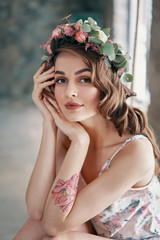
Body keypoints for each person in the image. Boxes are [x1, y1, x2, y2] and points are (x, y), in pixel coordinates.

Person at [14, 16, 160, 240]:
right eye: (61, 80)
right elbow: (36, 210)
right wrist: (49, 122)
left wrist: (80, 143)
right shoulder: (69, 132)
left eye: (84, 80)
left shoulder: (135, 151)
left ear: (106, 85)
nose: (70, 92)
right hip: (102, 234)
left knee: (58, 237)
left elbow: (55, 227)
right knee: (35, 227)